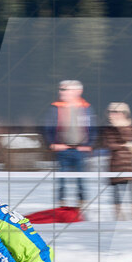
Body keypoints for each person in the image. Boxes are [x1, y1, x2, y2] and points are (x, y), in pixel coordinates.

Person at [44, 79, 94, 211]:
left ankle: (82, 206)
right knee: (62, 180)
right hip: (62, 149)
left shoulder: (86, 107)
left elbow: (93, 127)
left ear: (77, 91)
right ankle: (62, 206)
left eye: (65, 89)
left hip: (80, 150)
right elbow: (47, 127)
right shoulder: (55, 107)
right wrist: (52, 144)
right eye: (61, 89)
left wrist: (89, 144)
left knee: (81, 180)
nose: (61, 92)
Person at [103, 102, 132, 220]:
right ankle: (118, 214)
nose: (112, 115)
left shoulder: (131, 127)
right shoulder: (109, 129)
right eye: (110, 112)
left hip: (129, 163)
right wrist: (125, 145)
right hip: (115, 164)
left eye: (115, 112)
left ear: (124, 113)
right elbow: (109, 144)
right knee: (116, 190)